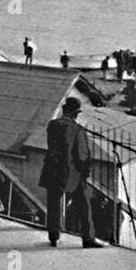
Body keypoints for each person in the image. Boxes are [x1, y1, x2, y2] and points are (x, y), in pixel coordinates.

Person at [38, 97, 102, 248]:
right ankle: (88, 238)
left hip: (52, 170)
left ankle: (54, 236)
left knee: (53, 204)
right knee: (84, 205)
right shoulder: (78, 130)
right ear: (75, 114)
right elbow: (82, 155)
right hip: (72, 173)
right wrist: (85, 171)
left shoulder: (52, 125)